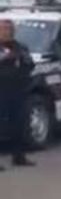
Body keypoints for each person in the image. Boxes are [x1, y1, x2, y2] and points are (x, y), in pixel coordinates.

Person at [0, 19, 36, 168]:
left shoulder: (20, 47)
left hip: (18, 91)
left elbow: (30, 64)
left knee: (19, 124)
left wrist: (21, 59)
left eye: (9, 29)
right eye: (3, 29)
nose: (7, 32)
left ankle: (18, 156)